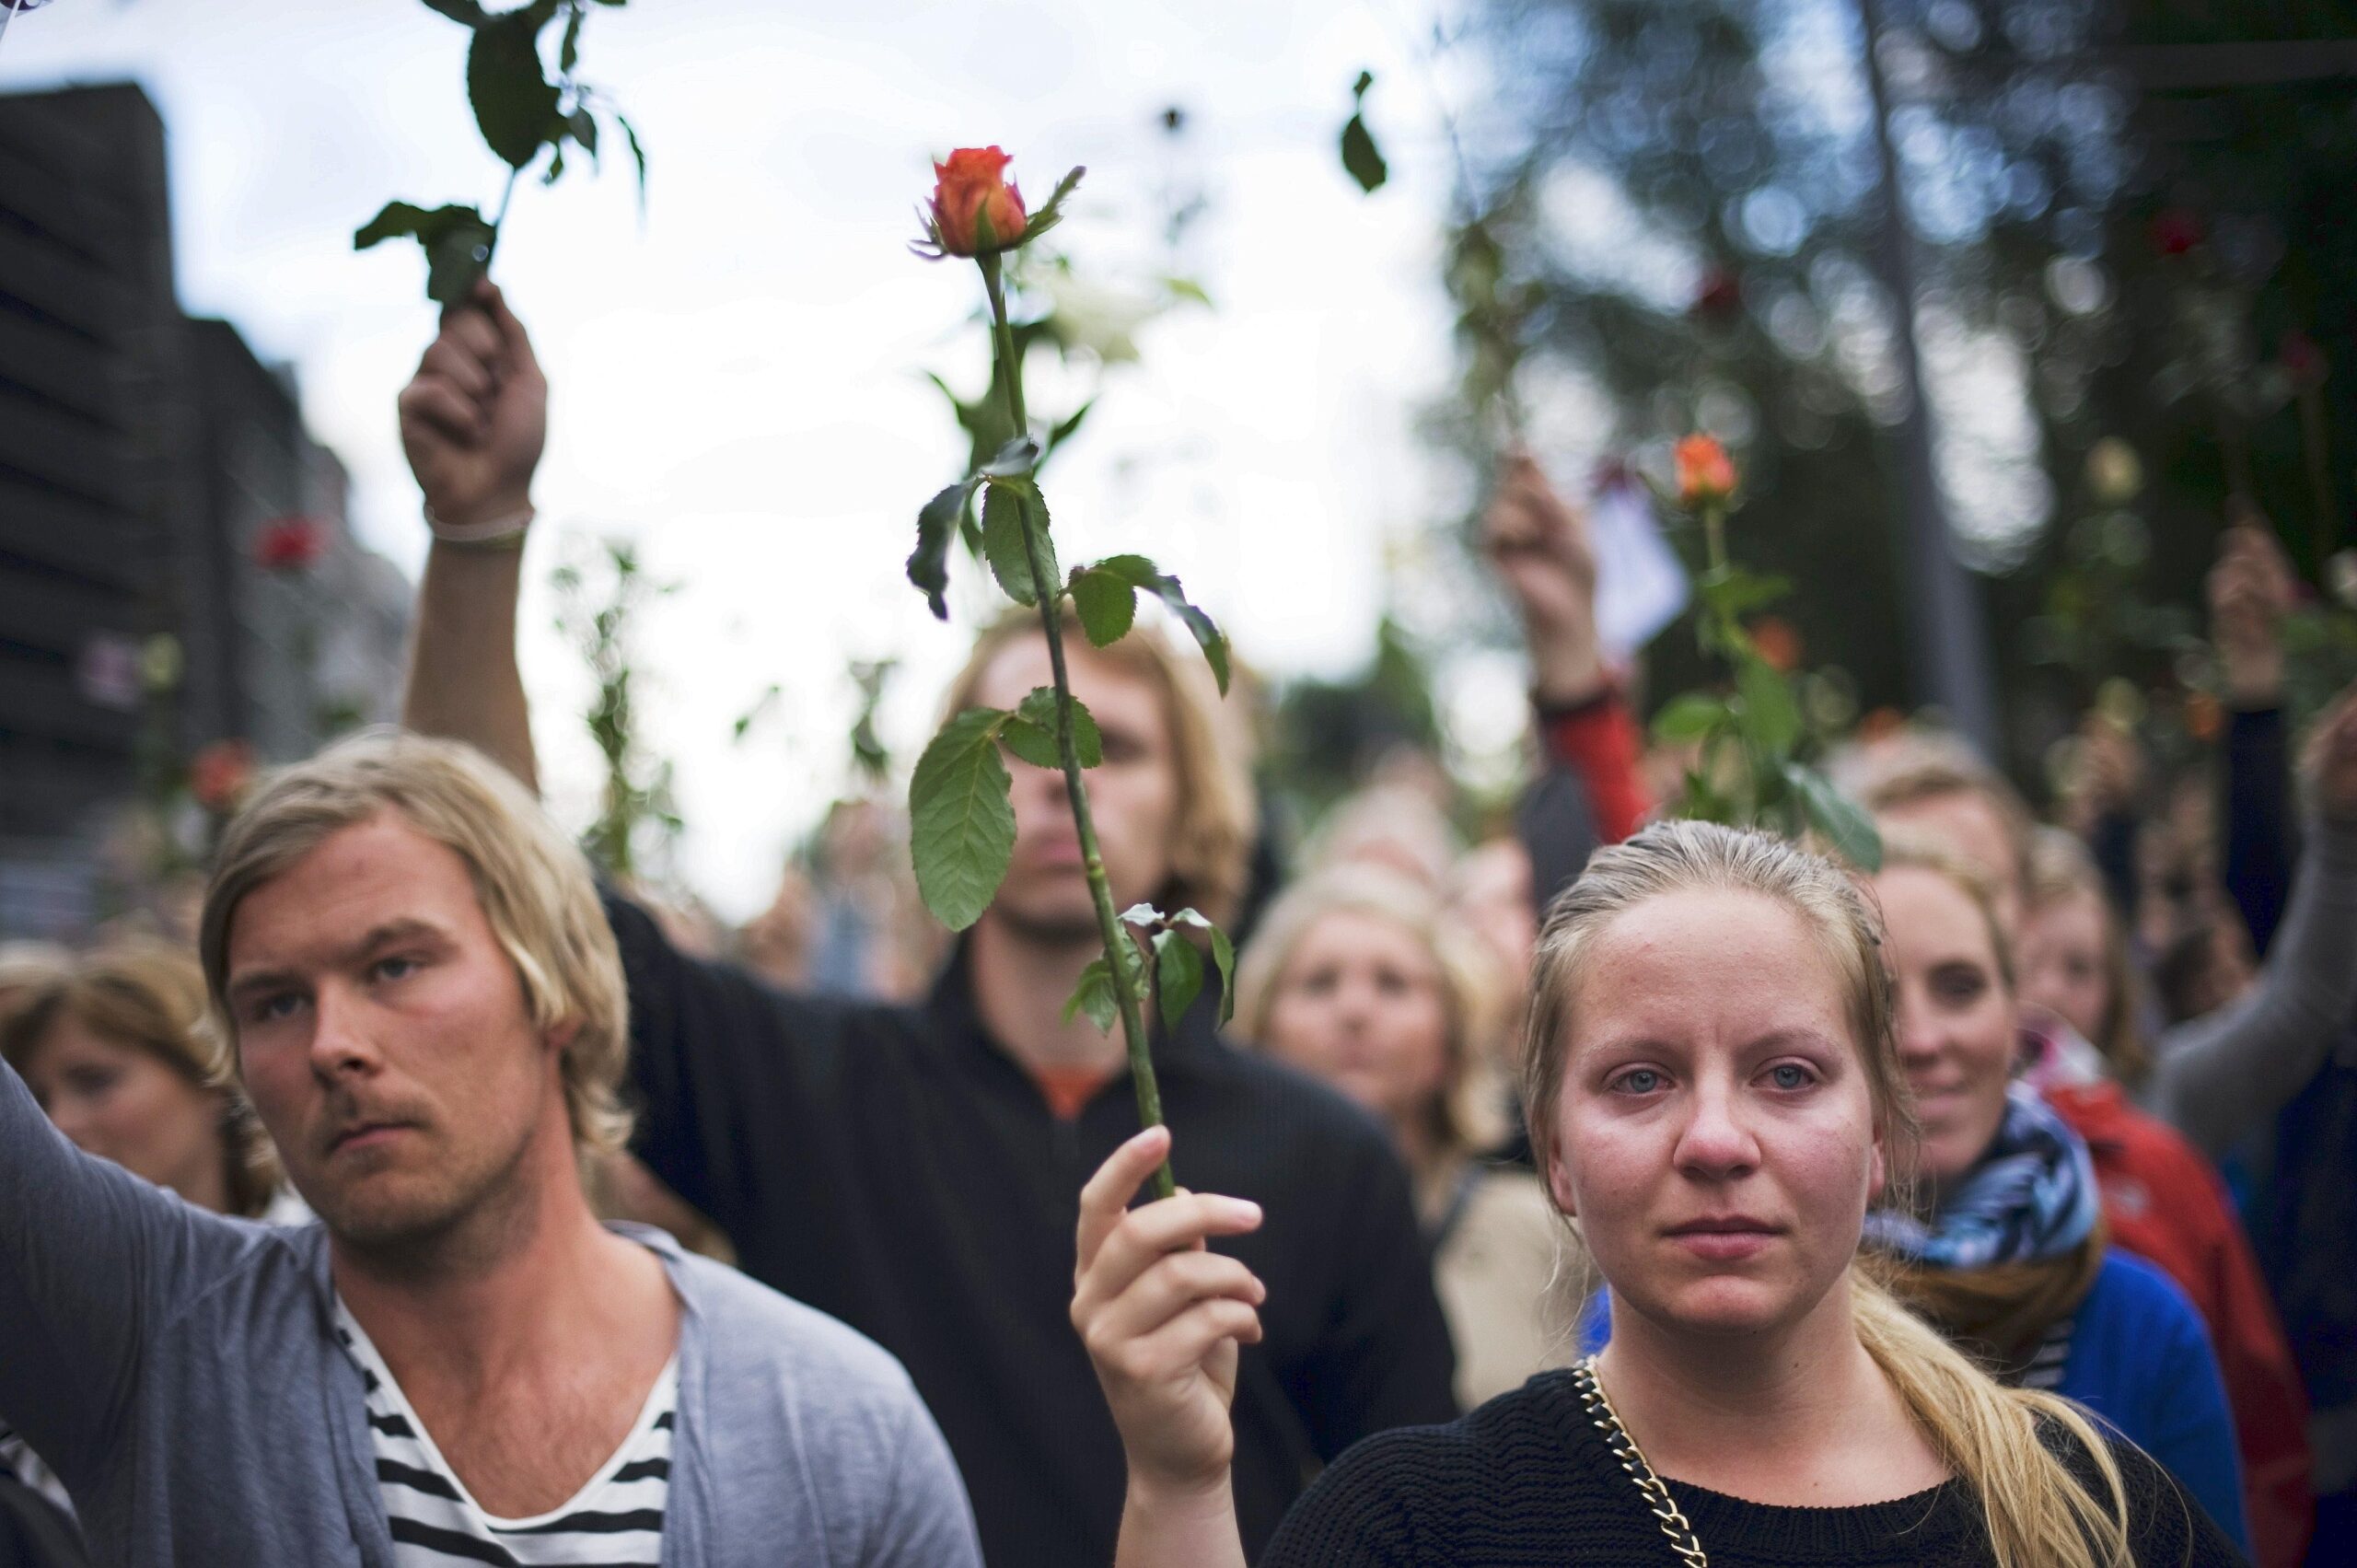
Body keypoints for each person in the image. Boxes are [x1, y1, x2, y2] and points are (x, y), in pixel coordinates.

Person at [395, 281, 1457, 1564]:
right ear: (951, 786)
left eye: (1109, 745)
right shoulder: (812, 1090)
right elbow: (515, 890)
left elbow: (1416, 1524)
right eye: (1012, 740)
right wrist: (475, 532)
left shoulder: (1327, 1152)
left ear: (1193, 810)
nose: (1059, 774)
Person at [1074, 820, 2242, 1566]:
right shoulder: (1417, 1527)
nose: (1718, 1138)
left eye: (1788, 1074)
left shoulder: (2091, 1510)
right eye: (1641, 1079)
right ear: (1555, 1153)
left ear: (1880, 1131)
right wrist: (1179, 1481)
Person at [0, 730, 981, 1567]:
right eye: (276, 1001)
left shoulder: (839, 1429)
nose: (331, 1040)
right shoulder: (154, 1337)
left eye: (395, 964)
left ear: (552, 983)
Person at [1869, 838, 2248, 1548]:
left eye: (1960, 986)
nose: (1921, 1037)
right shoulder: (1724, 1321)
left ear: (2015, 1016)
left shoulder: (2144, 1321)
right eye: (1879, 998)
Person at [2021, 830, 2316, 1568]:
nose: (2050, 992)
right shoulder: (1886, 1167)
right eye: (2026, 961)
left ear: (2118, 990)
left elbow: (2257, 1423)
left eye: (2080, 968)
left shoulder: (2159, 1126)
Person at [1231, 865, 1580, 1408]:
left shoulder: (1553, 1237)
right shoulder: (1223, 1236)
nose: (1354, 1011)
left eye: (1393, 984)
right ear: (1260, 1029)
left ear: (1453, 1037)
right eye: (1318, 983)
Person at [1, 941, 292, 1223]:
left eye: (95, 1082)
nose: (57, 1124)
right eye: (37, 1100)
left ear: (212, 1076)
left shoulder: (318, 1259)